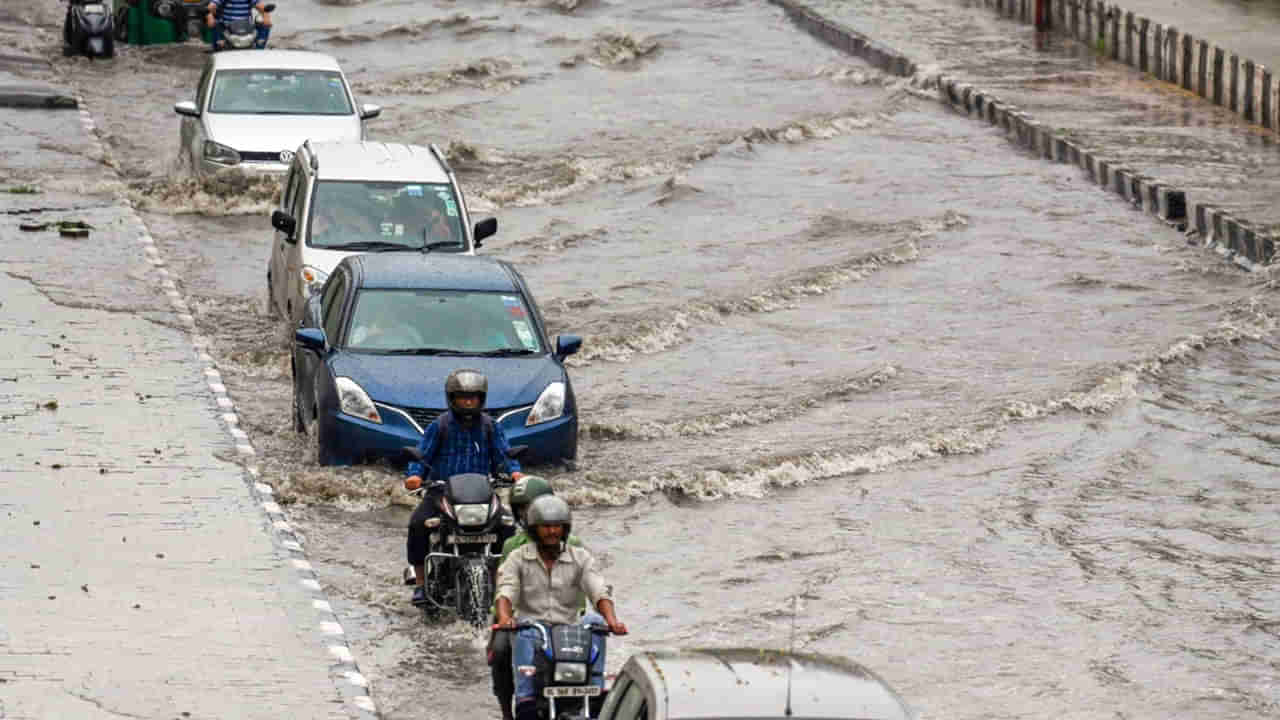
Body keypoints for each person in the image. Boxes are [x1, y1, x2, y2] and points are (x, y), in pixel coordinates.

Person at [495, 495, 628, 720]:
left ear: (565, 529)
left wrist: (612, 621)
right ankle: (524, 701)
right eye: (546, 526)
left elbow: (598, 590)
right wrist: (506, 617)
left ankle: (595, 692)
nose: (552, 531)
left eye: (557, 526)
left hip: (570, 631)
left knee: (595, 623)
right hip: (533, 630)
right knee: (523, 635)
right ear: (534, 529)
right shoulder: (517, 558)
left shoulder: (581, 557)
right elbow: (506, 591)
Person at [404, 369, 523, 607]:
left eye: (473, 397)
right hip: (441, 492)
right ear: (452, 398)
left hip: (482, 492)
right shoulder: (439, 426)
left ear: (482, 399)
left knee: (509, 527)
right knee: (418, 524)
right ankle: (419, 583)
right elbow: (421, 455)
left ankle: (504, 581)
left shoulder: (491, 426)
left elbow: (504, 453)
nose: (468, 402)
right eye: (462, 397)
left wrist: (515, 472)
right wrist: (414, 477)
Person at [488, 477, 584, 720]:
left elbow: (584, 584)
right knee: (499, 652)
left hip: (564, 619)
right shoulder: (512, 546)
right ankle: (507, 711)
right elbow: (504, 589)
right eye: (522, 510)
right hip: (523, 622)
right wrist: (500, 622)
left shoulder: (572, 545)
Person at [206, 0, 272, 51]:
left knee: (265, 25)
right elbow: (212, 6)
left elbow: (261, 7)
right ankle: (218, 50)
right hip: (227, 28)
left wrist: (266, 17)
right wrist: (209, 16)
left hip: (246, 27)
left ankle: (259, 49)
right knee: (214, 25)